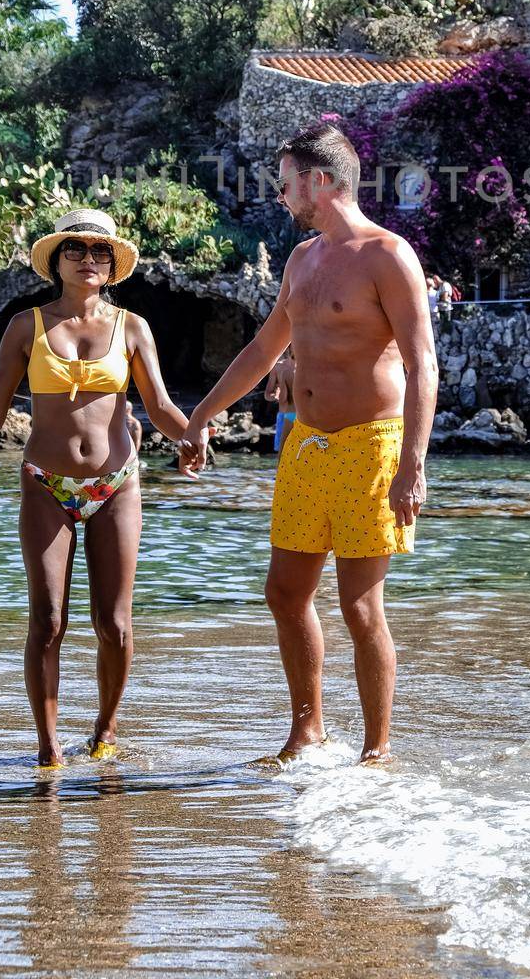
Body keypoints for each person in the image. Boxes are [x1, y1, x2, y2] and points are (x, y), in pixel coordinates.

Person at [179, 121, 438, 764]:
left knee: (359, 603)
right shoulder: (302, 259)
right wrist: (200, 416)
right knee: (286, 593)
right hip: (306, 444)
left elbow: (422, 362)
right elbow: (266, 350)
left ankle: (377, 751)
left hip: (372, 443)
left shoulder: (388, 254)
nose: (280, 194)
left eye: (286, 180)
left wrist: (413, 463)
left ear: (319, 181)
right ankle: (307, 729)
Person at [0, 208, 198, 769]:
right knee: (49, 620)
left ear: (111, 265)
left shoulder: (132, 326)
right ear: (56, 261)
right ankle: (49, 749)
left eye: (99, 252)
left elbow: (158, 405)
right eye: (75, 250)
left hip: (117, 483)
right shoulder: (26, 326)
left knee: (115, 623)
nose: (88, 259)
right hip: (45, 484)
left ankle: (104, 732)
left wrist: (192, 436)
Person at [265, 345, 297, 454]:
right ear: (289, 348)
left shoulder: (307, 368)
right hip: (284, 415)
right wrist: (274, 395)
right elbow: (267, 394)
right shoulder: (278, 367)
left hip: (303, 418)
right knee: (282, 454)